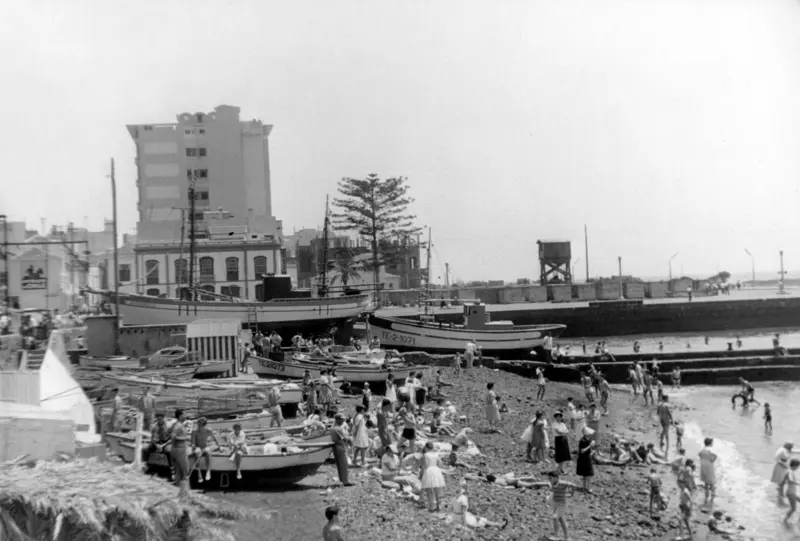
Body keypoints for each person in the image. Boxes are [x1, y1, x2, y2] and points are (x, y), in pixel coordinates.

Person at [419, 441, 446, 512]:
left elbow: (423, 466)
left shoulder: (425, 455)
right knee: (437, 489)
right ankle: (438, 506)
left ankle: (431, 507)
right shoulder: (436, 454)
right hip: (436, 470)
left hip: (428, 471)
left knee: (429, 490)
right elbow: (441, 463)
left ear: (426, 447)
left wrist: (421, 475)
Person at [191, 417, 219, 483]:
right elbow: (192, 442)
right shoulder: (194, 432)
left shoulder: (208, 431)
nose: (198, 425)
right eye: (198, 424)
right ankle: (199, 473)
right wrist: (193, 446)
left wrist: (219, 446)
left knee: (207, 451)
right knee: (197, 452)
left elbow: (214, 438)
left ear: (204, 425)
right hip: (197, 447)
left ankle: (208, 471)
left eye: (200, 424)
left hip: (205, 447)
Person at [170, 409, 190, 498]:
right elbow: (173, 436)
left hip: (179, 449)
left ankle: (179, 493)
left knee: (179, 472)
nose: (186, 416)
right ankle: (185, 493)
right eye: (184, 414)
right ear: (180, 416)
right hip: (179, 450)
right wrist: (184, 438)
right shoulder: (178, 425)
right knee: (185, 472)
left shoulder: (180, 425)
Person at [329, 414, 353, 486]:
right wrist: (350, 440)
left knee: (340, 464)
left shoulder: (333, 428)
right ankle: (345, 481)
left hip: (336, 447)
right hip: (340, 447)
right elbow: (345, 438)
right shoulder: (338, 429)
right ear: (338, 419)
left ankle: (342, 480)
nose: (343, 421)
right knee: (343, 464)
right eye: (342, 419)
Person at [697, 437, 717, 507]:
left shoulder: (703, 449)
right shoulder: (710, 449)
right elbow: (715, 455)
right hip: (709, 465)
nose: (712, 444)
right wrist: (712, 460)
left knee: (706, 480)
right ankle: (713, 493)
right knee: (711, 479)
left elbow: (699, 454)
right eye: (712, 442)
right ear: (710, 443)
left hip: (703, 464)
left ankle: (706, 493)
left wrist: (703, 459)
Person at [576, 426, 596, 493]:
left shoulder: (589, 439)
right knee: (587, 474)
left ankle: (586, 488)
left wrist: (592, 451)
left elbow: (589, 449)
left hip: (587, 458)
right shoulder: (582, 441)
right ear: (585, 433)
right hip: (583, 459)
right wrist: (590, 446)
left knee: (587, 474)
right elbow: (582, 451)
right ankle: (587, 488)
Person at [784, 459, 800, 524]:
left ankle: (798, 521)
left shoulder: (790, 471)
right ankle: (785, 521)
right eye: (798, 466)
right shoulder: (790, 471)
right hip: (791, 493)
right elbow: (790, 480)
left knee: (793, 509)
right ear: (794, 465)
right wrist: (798, 483)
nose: (798, 467)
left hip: (792, 492)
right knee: (793, 509)